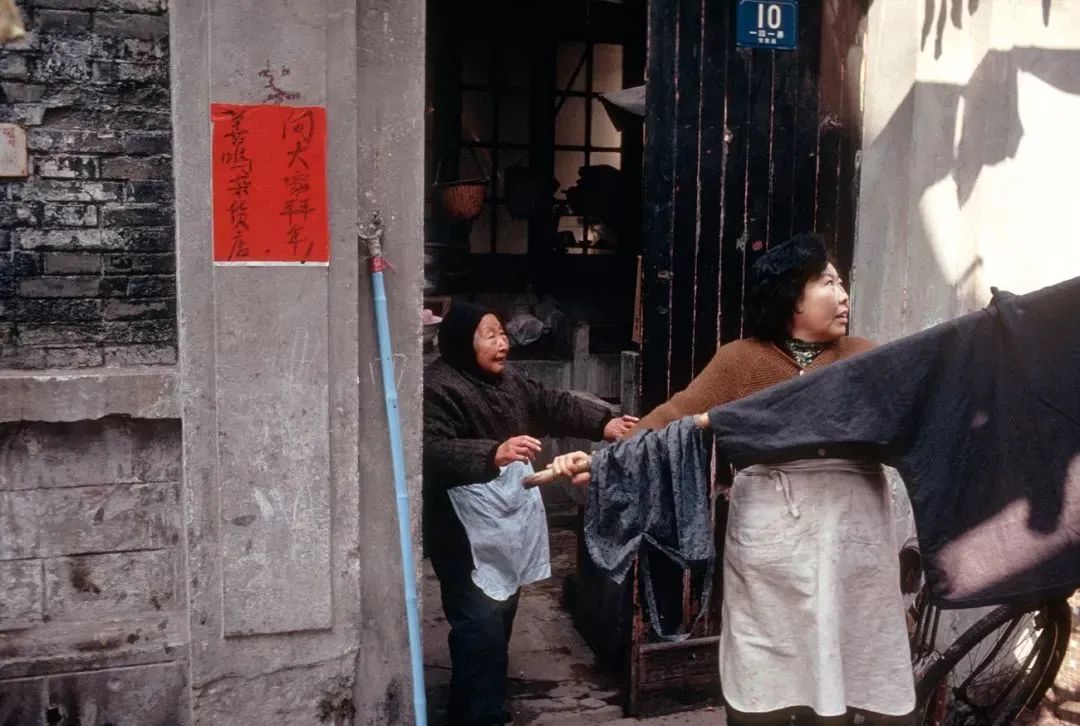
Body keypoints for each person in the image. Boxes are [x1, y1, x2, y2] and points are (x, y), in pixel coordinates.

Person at [551, 233, 915, 725]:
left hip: (853, 536)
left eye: (841, 282)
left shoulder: (866, 358)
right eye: (828, 282)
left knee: (850, 652)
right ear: (792, 297)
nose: (844, 294)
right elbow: (674, 418)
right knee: (764, 662)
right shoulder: (741, 360)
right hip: (772, 542)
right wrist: (602, 463)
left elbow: (919, 417)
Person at [423, 301, 637, 726]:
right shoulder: (439, 387)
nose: (503, 343)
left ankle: (474, 709)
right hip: (462, 529)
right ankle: (481, 716)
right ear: (463, 342)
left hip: (504, 519)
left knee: (500, 613)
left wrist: (604, 423)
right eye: (490, 336)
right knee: (478, 622)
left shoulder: (509, 381)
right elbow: (429, 450)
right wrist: (492, 452)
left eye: (502, 334)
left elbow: (552, 404)